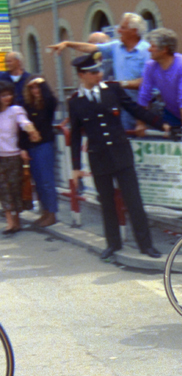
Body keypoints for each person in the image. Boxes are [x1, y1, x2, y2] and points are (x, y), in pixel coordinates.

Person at [68, 52, 168, 260]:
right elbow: (76, 135)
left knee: (134, 201)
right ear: (81, 75)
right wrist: (76, 166)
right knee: (107, 202)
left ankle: (146, 245)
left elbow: (135, 110)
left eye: (99, 70)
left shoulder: (112, 90)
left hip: (121, 154)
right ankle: (113, 243)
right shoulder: (75, 101)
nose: (99, 74)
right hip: (98, 158)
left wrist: (161, 124)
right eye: (93, 72)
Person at [48, 12, 151, 131]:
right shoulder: (116, 46)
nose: (118, 31)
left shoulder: (146, 51)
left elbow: (148, 82)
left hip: (140, 107)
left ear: (134, 31)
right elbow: (91, 48)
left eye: (122, 28)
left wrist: (120, 84)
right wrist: (67, 44)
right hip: (120, 106)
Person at [138, 28, 182, 135]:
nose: (149, 49)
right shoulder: (150, 66)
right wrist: (140, 123)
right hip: (172, 113)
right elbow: (144, 95)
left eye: (153, 46)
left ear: (164, 49)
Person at [0, 81, 40, 234]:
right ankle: (10, 221)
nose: (7, 98)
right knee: (3, 189)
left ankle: (16, 220)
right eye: (3, 95)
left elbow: (24, 122)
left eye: (9, 94)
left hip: (14, 155)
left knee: (15, 188)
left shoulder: (15, 110)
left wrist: (32, 131)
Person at [21, 76, 59, 227]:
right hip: (31, 147)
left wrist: (42, 82)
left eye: (37, 87)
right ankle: (44, 212)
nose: (35, 91)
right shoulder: (27, 105)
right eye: (32, 88)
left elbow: (51, 99)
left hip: (45, 145)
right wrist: (23, 147)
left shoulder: (47, 104)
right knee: (38, 181)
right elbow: (22, 129)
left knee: (47, 180)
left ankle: (52, 213)